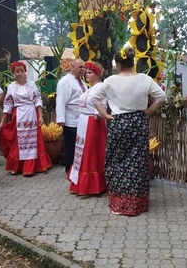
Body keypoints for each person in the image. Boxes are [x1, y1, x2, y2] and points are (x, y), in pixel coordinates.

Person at [92, 47, 166, 216]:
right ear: (132, 62)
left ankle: (119, 203)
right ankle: (137, 204)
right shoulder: (144, 79)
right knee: (137, 162)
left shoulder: (110, 81)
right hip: (138, 122)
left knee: (116, 161)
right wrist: (149, 111)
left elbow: (94, 98)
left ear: (118, 64)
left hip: (118, 122)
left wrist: (105, 115)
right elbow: (161, 96)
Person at [0, 61, 52, 176]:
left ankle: (35, 166)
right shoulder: (11, 87)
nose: (20, 73)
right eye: (17, 71)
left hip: (32, 113)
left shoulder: (31, 84)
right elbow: (8, 105)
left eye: (21, 71)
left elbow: (37, 100)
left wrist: (41, 116)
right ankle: (17, 166)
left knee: (34, 139)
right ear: (13, 73)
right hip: (19, 114)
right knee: (18, 140)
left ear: (25, 72)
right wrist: (2, 121)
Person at [68, 61, 108, 195]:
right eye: (86, 73)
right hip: (83, 122)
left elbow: (103, 103)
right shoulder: (88, 88)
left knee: (91, 153)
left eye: (90, 73)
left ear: (97, 74)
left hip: (93, 123)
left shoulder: (100, 87)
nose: (87, 75)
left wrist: (98, 115)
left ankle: (93, 185)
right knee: (82, 152)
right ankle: (80, 183)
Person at [56, 58, 87, 172]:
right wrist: (61, 119)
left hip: (81, 119)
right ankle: (69, 169)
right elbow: (61, 100)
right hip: (70, 120)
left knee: (79, 145)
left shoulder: (81, 81)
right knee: (70, 146)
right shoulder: (65, 81)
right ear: (72, 67)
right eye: (80, 67)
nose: (83, 69)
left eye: (84, 67)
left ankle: (77, 168)